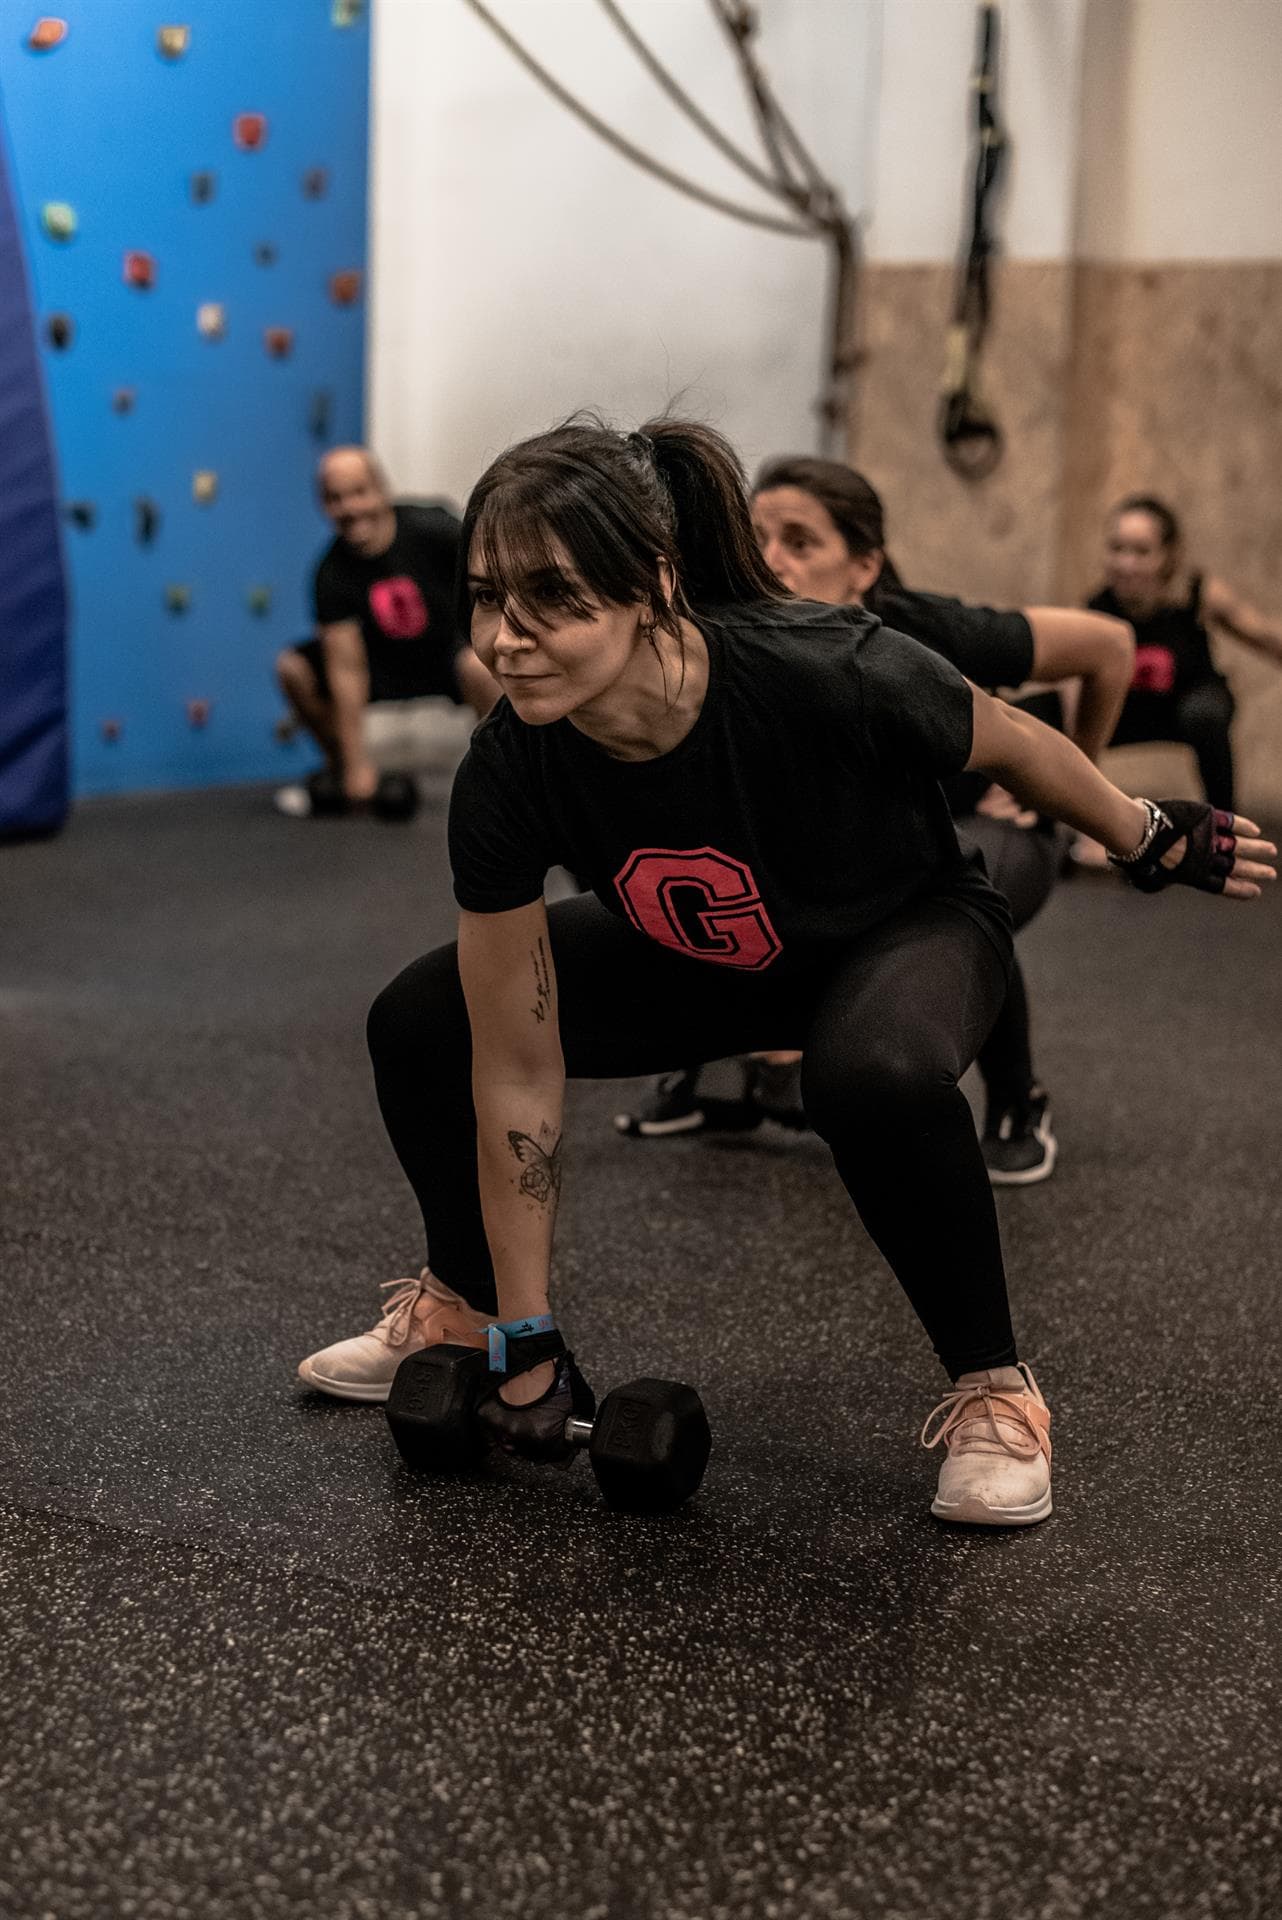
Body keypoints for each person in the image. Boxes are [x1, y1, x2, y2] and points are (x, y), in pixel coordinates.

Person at [295, 416, 1272, 1529]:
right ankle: (464, 1311)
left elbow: (1006, 738)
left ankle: (995, 1391)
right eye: (485, 597)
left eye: (552, 599)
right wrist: (530, 1337)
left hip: (904, 930)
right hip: (710, 957)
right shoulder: (512, 766)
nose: (504, 639)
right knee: (423, 1019)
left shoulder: (819, 666)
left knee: (868, 1076)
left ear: (652, 586)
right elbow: (518, 1067)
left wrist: (1141, 832)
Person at [617, 456, 1136, 1185]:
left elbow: (1110, 647)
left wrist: (1073, 783)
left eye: (801, 543)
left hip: (990, 827)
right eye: (757, 537)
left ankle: (1021, 1103)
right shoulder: (732, 633)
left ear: (864, 567)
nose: (770, 561)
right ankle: (716, 1084)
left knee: (958, 888)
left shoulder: (916, 628)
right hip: (868, 841)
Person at [275, 446, 497, 815]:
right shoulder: (330, 574)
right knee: (292, 668)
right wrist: (358, 768)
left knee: (480, 666)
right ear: (323, 505)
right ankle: (342, 765)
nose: (350, 508)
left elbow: (493, 585)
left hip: (447, 658)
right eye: (336, 498)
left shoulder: (435, 529)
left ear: (380, 489)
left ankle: (508, 776)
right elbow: (347, 670)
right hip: (381, 668)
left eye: (358, 493)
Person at [1072, 494, 1282, 864]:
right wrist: (1089, 827)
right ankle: (1036, 826)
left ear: (1167, 555)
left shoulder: (1196, 594)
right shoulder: (1097, 611)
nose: (1126, 563)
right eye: (1117, 549)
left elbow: (1264, 635)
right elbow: (1077, 709)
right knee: (1044, 716)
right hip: (1127, 713)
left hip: (1191, 704)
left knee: (1205, 714)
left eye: (1140, 551)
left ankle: (1224, 832)